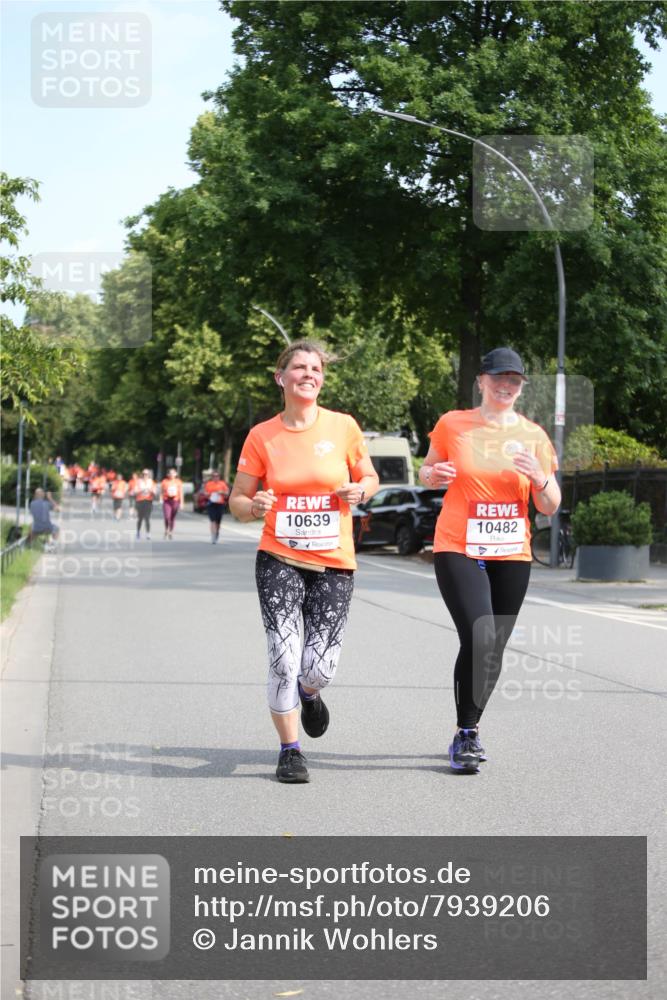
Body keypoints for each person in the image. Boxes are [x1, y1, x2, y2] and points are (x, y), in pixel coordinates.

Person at [229, 339, 379, 784]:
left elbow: (369, 476)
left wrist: (361, 491)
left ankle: (309, 694)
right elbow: (237, 500)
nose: (308, 374)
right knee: (282, 656)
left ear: (322, 378)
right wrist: (255, 505)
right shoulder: (262, 436)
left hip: (334, 560)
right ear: (281, 378)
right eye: (298, 368)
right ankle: (290, 750)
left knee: (318, 667)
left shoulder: (343, 427)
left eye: (315, 368)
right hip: (279, 556)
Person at [419, 347, 561, 773]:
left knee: (492, 647)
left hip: (511, 552)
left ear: (521, 387)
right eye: (498, 377)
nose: (506, 385)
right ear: (481, 380)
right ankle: (466, 734)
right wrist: (433, 475)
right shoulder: (453, 424)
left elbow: (550, 504)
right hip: (458, 545)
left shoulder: (535, 436)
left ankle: (471, 727)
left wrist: (539, 479)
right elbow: (426, 472)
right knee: (481, 636)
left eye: (514, 380)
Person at [203, 470, 229, 543]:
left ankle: (217, 533)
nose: (215, 477)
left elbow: (227, 493)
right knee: (213, 520)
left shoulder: (222, 484)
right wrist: (208, 494)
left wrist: (222, 492)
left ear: (219, 477)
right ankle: (213, 536)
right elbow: (205, 493)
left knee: (218, 521)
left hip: (220, 504)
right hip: (211, 504)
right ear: (212, 477)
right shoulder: (209, 484)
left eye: (217, 476)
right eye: (214, 476)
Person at [161, 468, 184, 539]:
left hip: (175, 501)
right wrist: (160, 498)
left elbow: (181, 492)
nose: (171, 474)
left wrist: (182, 503)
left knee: (172, 517)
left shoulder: (178, 482)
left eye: (173, 473)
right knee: (167, 517)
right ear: (168, 474)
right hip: (167, 500)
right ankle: (166, 529)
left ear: (176, 474)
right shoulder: (164, 481)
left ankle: (171, 531)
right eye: (170, 473)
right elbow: (162, 491)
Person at [134, 469, 157, 540]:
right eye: (144, 474)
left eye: (146, 474)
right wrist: (141, 490)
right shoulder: (139, 482)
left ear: (148, 475)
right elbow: (135, 491)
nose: (145, 475)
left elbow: (155, 492)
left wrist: (150, 490)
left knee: (147, 518)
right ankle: (138, 532)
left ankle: (148, 533)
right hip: (140, 501)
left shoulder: (152, 482)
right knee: (140, 518)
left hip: (148, 501)